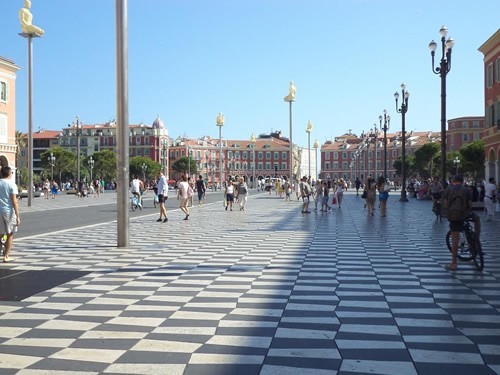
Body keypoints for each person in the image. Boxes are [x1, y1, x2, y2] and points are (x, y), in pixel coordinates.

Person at [444, 175, 472, 270]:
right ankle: (476, 244)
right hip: (465, 214)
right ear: (463, 180)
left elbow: (446, 204)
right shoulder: (466, 189)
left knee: (455, 239)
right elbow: (470, 204)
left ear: (454, 180)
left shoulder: (449, 189)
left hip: (455, 215)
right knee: (477, 221)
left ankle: (454, 263)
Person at [0, 167, 21, 263]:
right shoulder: (12, 184)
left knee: (0, 234)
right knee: (9, 233)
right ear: (9, 174)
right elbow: (14, 201)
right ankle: (6, 256)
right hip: (8, 211)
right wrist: (17, 216)